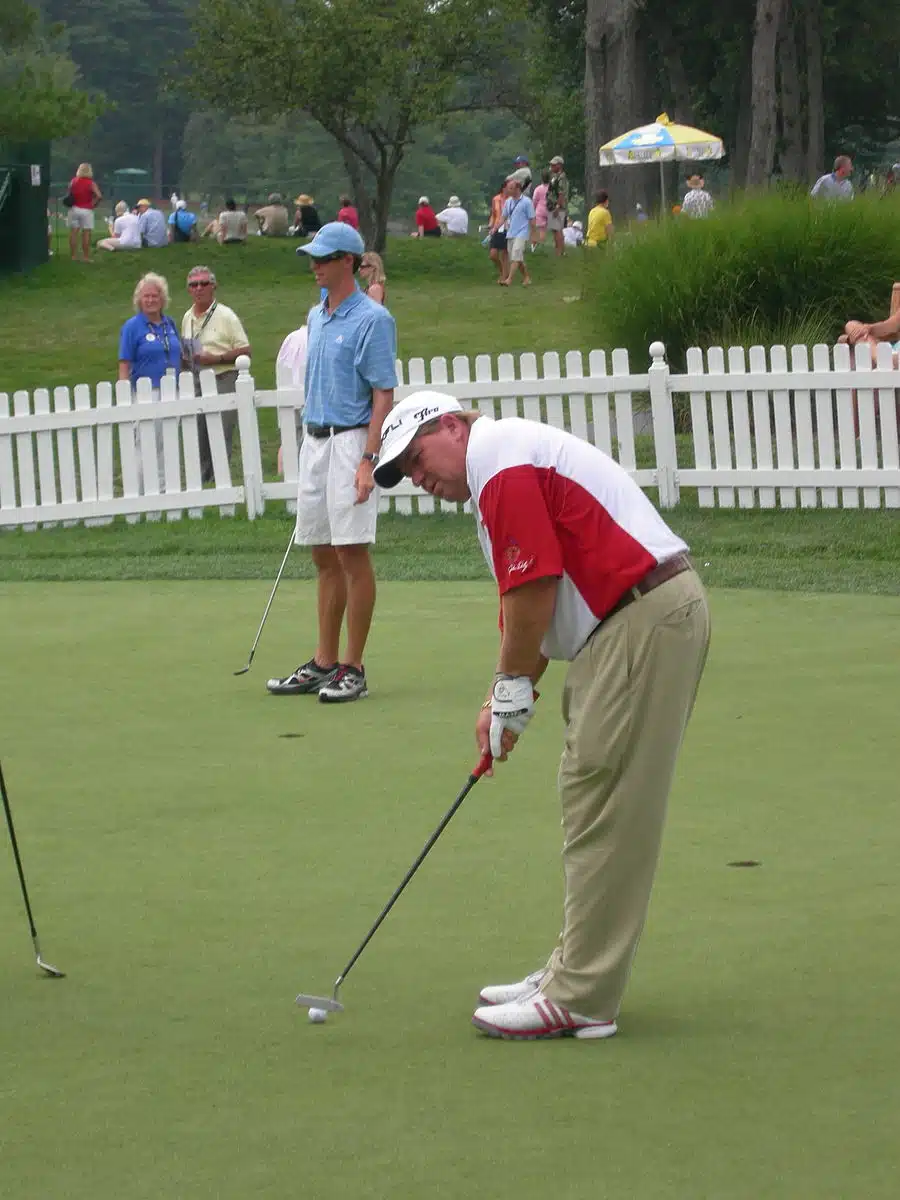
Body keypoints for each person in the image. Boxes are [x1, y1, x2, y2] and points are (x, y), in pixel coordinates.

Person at [373, 392, 710, 1041]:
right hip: (630, 623)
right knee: (591, 791)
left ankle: (582, 993)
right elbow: (527, 605)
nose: (418, 477)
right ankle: (573, 971)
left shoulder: (497, 456)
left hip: (639, 618)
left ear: (451, 425)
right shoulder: (500, 468)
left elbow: (533, 587)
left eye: (416, 458)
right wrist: (503, 701)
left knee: (603, 798)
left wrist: (508, 692)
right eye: (405, 474)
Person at [265, 222, 397, 704]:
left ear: (349, 262)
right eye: (312, 257)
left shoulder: (373, 318)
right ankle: (324, 662)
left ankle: (353, 665)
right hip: (316, 441)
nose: (314, 265)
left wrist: (369, 459)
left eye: (322, 258)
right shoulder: (316, 316)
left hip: (352, 442)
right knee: (321, 552)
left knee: (351, 551)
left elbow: (383, 392)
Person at [180, 266, 251, 484]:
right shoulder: (187, 317)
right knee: (199, 434)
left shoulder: (226, 316)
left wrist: (217, 358)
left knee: (220, 434)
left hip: (223, 377)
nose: (199, 288)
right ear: (189, 290)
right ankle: (204, 483)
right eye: (194, 285)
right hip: (197, 379)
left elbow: (246, 351)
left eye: (203, 284)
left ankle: (220, 481)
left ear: (213, 287)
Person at [117, 273, 182, 494]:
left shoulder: (169, 323)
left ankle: (165, 490)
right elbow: (124, 362)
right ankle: (140, 491)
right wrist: (125, 393)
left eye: (155, 296)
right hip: (146, 392)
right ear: (139, 299)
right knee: (144, 443)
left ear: (162, 298)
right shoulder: (132, 327)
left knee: (167, 443)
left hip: (171, 389)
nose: (151, 300)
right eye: (146, 296)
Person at [499, 177, 535, 287]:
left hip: (522, 233)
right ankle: (527, 277)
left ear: (517, 189)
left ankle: (509, 279)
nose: (508, 190)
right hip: (511, 233)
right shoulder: (508, 202)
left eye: (510, 188)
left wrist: (534, 235)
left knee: (516, 255)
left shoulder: (527, 202)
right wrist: (495, 228)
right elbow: (503, 217)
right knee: (517, 258)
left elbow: (532, 219)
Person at [66, 163, 102, 262]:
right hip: (86, 209)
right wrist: (93, 204)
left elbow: (69, 193)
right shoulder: (91, 183)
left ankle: (73, 256)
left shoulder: (73, 181)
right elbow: (99, 195)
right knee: (86, 233)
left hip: (74, 209)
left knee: (73, 232)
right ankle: (86, 257)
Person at [545, 155, 568, 256]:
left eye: (554, 165)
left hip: (557, 206)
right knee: (555, 229)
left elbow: (561, 193)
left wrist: (558, 207)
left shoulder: (562, 177)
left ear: (559, 165)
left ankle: (560, 251)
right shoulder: (555, 176)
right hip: (552, 205)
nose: (552, 166)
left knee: (558, 229)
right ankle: (558, 250)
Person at [487, 180, 509, 281]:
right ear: (503, 188)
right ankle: (502, 271)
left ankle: (504, 276)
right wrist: (491, 224)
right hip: (496, 227)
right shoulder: (496, 199)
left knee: (505, 253)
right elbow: (493, 214)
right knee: (493, 254)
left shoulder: (512, 200)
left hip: (507, 228)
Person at [530, 169, 550, 249]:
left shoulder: (538, 189)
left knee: (539, 229)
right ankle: (542, 245)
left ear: (542, 178)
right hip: (549, 210)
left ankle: (534, 247)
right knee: (544, 231)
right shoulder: (552, 188)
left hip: (540, 210)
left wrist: (532, 210)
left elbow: (534, 200)